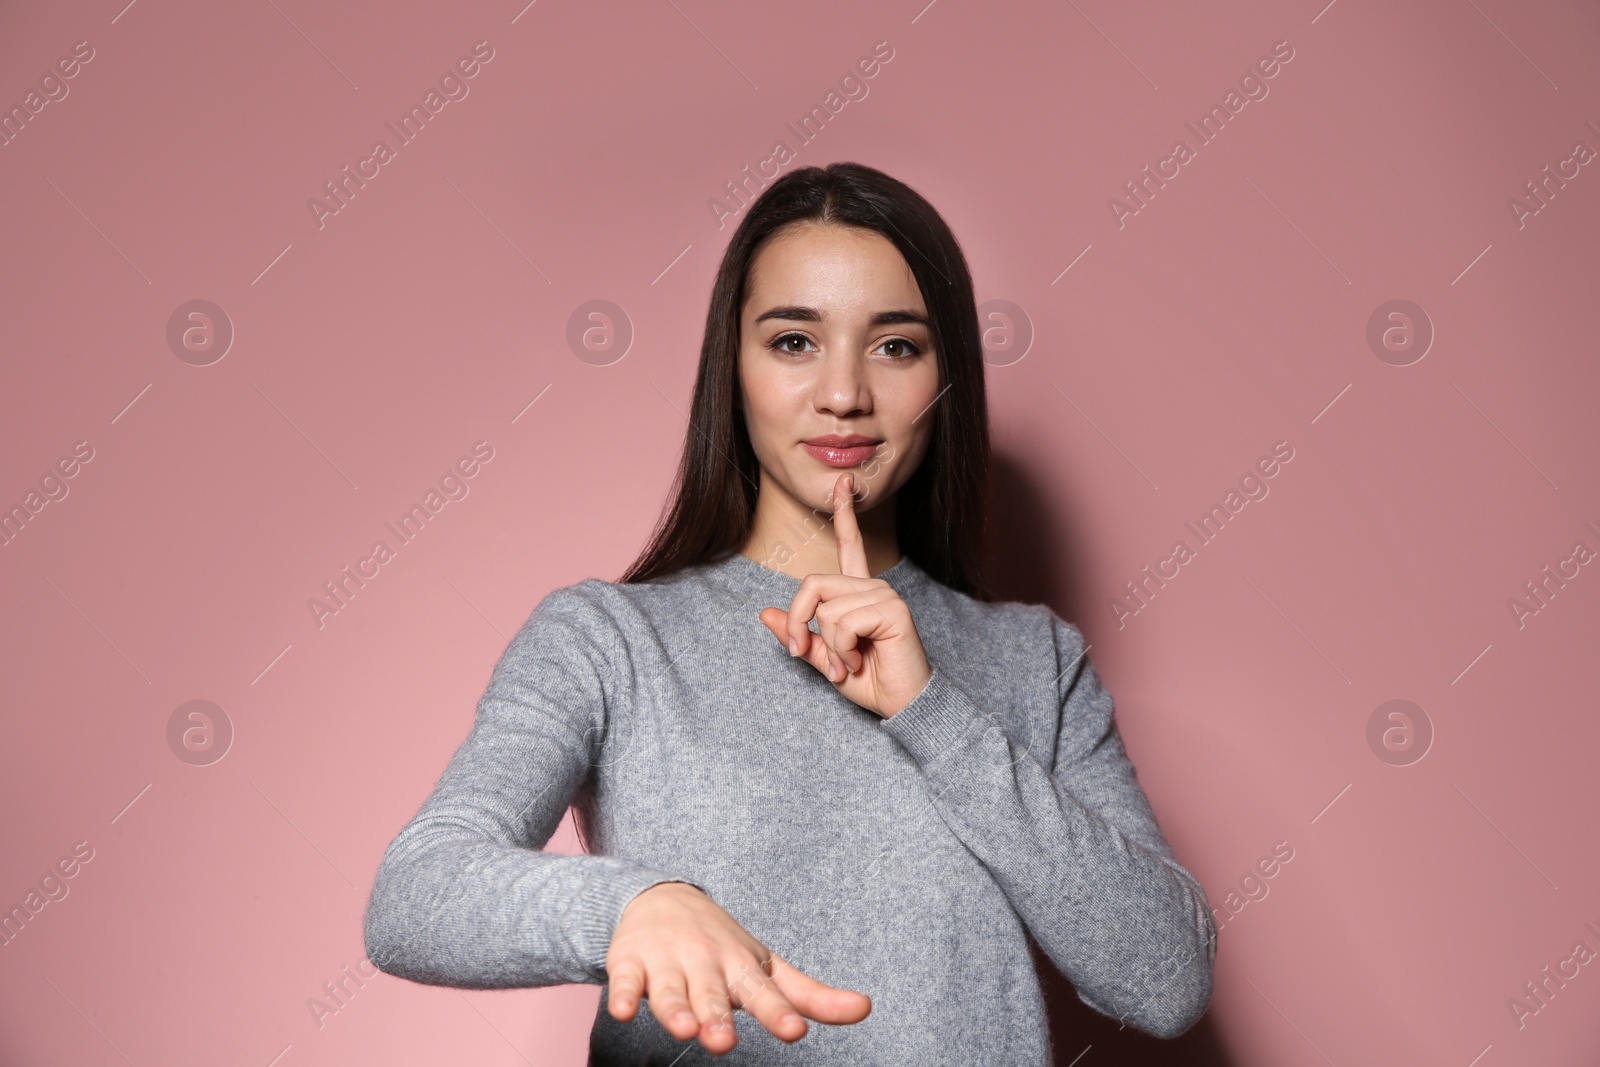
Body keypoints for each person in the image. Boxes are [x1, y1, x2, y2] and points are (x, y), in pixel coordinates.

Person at [363, 162, 1216, 1064]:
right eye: (794, 341)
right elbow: (416, 893)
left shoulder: (1035, 661)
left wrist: (931, 710)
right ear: (731, 367)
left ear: (946, 377)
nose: (843, 392)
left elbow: (1168, 979)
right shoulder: (609, 639)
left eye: (895, 346)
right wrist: (631, 904)